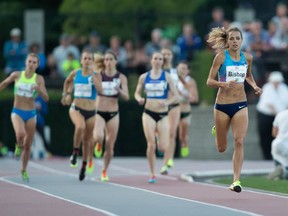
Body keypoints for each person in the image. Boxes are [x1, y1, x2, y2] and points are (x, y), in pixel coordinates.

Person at [206, 27, 262, 193]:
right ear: (228, 41)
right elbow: (209, 81)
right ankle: (218, 129)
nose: (235, 41)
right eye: (232, 39)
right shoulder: (221, 57)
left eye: (238, 38)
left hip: (240, 104)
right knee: (221, 148)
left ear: (242, 40)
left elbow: (248, 75)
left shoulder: (248, 58)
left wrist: (254, 86)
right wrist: (221, 84)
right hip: (222, 105)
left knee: (239, 141)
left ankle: (236, 180)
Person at [0, 53, 49, 182]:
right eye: (30, 62)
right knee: (20, 133)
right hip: (17, 111)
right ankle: (18, 145)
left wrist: (39, 89)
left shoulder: (39, 79)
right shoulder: (17, 75)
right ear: (26, 62)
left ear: (37, 65)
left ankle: (23, 169)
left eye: (34, 62)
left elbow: (46, 98)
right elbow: (4, 83)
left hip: (31, 113)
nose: (31, 64)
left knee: (28, 146)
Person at [134, 51, 179, 183]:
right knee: (151, 144)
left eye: (160, 59)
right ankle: (152, 173)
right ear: (151, 60)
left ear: (162, 62)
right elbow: (136, 93)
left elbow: (176, 96)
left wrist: (166, 102)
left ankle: (160, 138)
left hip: (163, 114)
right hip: (148, 112)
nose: (158, 61)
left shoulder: (167, 77)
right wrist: (139, 99)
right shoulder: (144, 77)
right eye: (156, 58)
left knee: (163, 147)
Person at [61, 50, 102, 181]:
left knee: (88, 141)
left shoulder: (96, 75)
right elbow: (67, 81)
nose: (87, 61)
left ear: (92, 61)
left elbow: (101, 90)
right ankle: (75, 153)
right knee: (80, 126)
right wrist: (66, 94)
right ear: (81, 60)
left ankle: (84, 166)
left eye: (90, 59)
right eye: (85, 58)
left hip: (91, 112)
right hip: (76, 108)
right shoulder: (75, 73)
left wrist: (93, 75)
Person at [92, 51, 129, 181]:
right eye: (106, 59)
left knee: (110, 146)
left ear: (115, 61)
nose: (108, 62)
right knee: (98, 136)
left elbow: (127, 97)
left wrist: (119, 90)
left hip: (113, 113)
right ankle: (98, 144)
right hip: (99, 111)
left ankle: (104, 171)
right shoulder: (98, 76)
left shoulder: (121, 77)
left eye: (110, 59)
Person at [256, 71, 288, 160]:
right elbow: (269, 104)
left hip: (279, 116)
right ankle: (267, 157)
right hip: (266, 116)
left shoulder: (284, 88)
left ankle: (277, 156)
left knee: (277, 135)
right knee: (265, 136)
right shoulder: (267, 88)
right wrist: (279, 115)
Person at [160, 48, 180, 175]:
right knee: (163, 133)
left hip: (174, 105)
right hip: (161, 106)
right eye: (164, 54)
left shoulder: (175, 71)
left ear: (172, 56)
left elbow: (178, 88)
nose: (166, 56)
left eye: (168, 54)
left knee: (172, 133)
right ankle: (163, 152)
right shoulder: (158, 72)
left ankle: (167, 161)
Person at [176, 61, 199, 158]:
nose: (182, 71)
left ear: (188, 71)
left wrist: (183, 95)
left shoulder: (190, 81)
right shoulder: (173, 79)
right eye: (180, 68)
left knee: (182, 135)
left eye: (184, 69)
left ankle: (184, 143)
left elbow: (195, 98)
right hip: (174, 109)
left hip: (185, 110)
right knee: (171, 132)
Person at [267, 109, 288, 180]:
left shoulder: (280, 114)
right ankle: (284, 171)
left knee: (282, 162)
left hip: (277, 143)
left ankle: (280, 173)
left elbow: (274, 133)